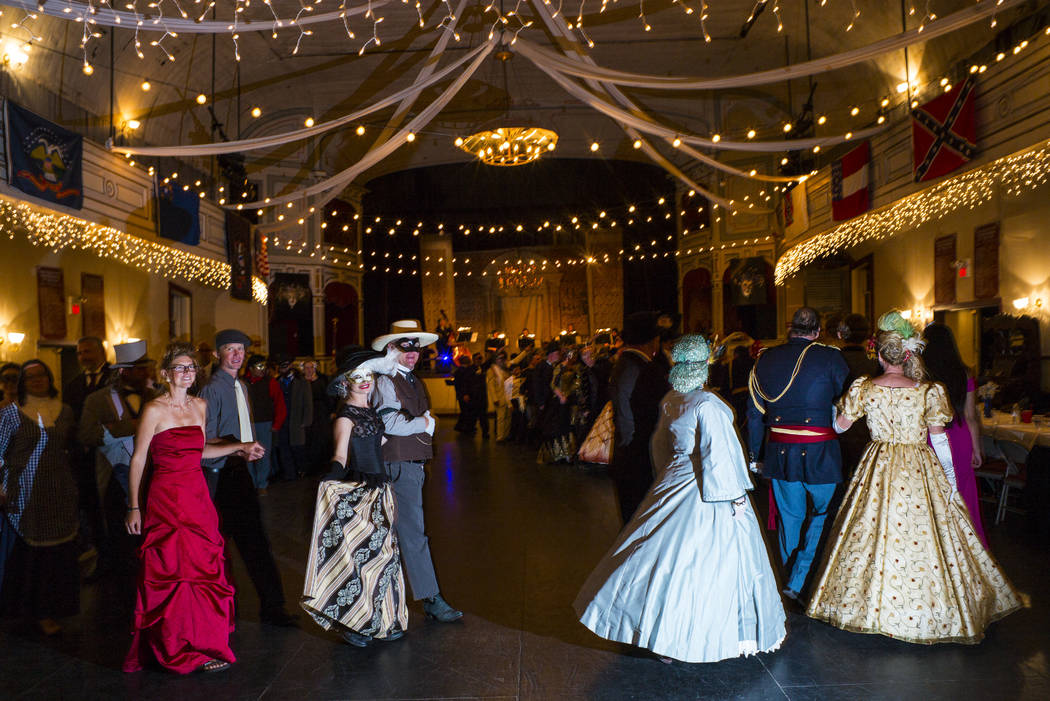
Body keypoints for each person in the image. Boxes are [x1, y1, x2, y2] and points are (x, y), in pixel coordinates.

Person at [808, 312, 1023, 644]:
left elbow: (839, 427)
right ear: (908, 354)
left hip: (878, 463)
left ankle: (870, 607)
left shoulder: (864, 388)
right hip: (920, 465)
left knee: (871, 530)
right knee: (926, 533)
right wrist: (951, 483)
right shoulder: (929, 391)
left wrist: (830, 411)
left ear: (879, 355)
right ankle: (929, 606)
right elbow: (940, 441)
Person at [575, 336, 786, 663]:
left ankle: (657, 633)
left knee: (661, 558)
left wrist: (666, 475)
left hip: (674, 481)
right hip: (705, 489)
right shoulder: (708, 405)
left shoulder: (672, 399)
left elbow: (660, 444)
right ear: (706, 365)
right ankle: (691, 637)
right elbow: (719, 455)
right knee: (704, 563)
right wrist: (734, 498)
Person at [123, 342, 259, 674]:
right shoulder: (154, 410)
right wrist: (134, 506)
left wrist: (238, 448)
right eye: (181, 367)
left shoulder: (200, 406)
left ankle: (204, 644)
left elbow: (198, 452)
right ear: (166, 373)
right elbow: (139, 458)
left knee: (202, 571)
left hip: (197, 496)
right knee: (172, 572)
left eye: (192, 368)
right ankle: (172, 646)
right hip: (166, 497)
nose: (187, 373)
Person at [302, 347, 408, 647]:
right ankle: (354, 624)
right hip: (360, 494)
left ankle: (382, 620)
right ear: (345, 383)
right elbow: (340, 455)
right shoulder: (344, 418)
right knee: (361, 561)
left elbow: (382, 441)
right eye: (356, 377)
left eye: (368, 375)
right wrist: (330, 480)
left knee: (386, 557)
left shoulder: (371, 411)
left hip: (381, 492)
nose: (364, 381)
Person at [746, 306, 849, 604]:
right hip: (822, 451)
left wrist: (756, 455)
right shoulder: (831, 357)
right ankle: (803, 579)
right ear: (817, 332)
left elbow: (754, 414)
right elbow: (847, 406)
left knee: (790, 518)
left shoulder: (765, 359)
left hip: (779, 452)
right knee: (824, 514)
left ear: (790, 329)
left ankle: (791, 578)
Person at [200, 329, 297, 627]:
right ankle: (222, 611)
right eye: (230, 349)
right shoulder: (211, 389)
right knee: (220, 546)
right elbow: (205, 437)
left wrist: (249, 450)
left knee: (254, 541)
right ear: (218, 354)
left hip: (240, 469)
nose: (237, 354)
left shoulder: (241, 385)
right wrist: (239, 450)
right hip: (221, 472)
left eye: (240, 349)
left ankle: (272, 606)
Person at [370, 319, 462, 623]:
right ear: (391, 349)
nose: (412, 353)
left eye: (416, 347)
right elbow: (390, 423)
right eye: (404, 346)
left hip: (411, 463)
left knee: (402, 534)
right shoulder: (386, 381)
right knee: (412, 534)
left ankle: (387, 602)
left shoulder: (411, 380)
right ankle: (431, 598)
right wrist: (425, 423)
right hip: (398, 464)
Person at [0, 360, 79, 636]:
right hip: (24, 490)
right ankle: (35, 611)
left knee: (58, 554)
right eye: (30, 376)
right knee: (31, 556)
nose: (37, 380)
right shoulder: (10, 413)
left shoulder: (65, 411)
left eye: (41, 375)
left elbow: (71, 447)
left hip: (59, 488)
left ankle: (55, 607)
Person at [78, 340, 156, 574]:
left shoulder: (156, 397)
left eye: (146, 368)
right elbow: (86, 435)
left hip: (152, 475)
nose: (145, 373)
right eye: (139, 369)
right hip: (115, 476)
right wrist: (127, 426)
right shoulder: (98, 400)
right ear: (123, 371)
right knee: (120, 539)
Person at [922, 322, 988, 547]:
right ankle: (969, 547)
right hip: (960, 436)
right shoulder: (965, 372)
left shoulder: (922, 374)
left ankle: (939, 546)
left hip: (931, 437)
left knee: (935, 493)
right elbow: (971, 416)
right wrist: (977, 449)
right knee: (962, 492)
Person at [609, 312, 670, 523]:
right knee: (642, 522)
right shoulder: (644, 369)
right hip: (641, 457)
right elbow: (654, 415)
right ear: (652, 341)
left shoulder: (624, 364)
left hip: (626, 453)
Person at [836, 313, 879, 481]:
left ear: (841, 334)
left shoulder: (832, 362)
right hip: (867, 431)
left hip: (837, 429)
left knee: (838, 485)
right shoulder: (874, 365)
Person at [243, 354, 287, 495]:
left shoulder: (270, 382)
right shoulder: (242, 382)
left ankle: (262, 483)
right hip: (246, 424)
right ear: (251, 368)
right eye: (259, 366)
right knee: (247, 454)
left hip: (265, 423)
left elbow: (280, 404)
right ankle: (251, 482)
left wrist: (276, 424)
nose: (263, 369)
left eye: (264, 366)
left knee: (263, 454)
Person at [273, 355, 312, 481]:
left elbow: (308, 402)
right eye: (281, 367)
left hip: (296, 419)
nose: (283, 369)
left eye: (285, 366)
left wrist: (306, 420)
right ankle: (290, 474)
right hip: (282, 420)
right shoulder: (278, 382)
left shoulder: (302, 381)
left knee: (298, 447)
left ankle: (302, 469)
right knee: (284, 448)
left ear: (290, 366)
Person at [302, 358, 331, 475]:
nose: (309, 370)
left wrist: (330, 411)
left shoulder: (322, 381)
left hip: (320, 413)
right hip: (306, 413)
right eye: (306, 368)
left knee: (319, 439)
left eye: (311, 367)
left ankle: (320, 466)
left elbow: (327, 398)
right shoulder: (301, 382)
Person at [486, 352, 511, 441]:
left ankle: (506, 434)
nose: (501, 360)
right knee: (500, 418)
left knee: (508, 417)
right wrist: (495, 398)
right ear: (495, 360)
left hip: (508, 396)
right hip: (499, 397)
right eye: (499, 358)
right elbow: (491, 386)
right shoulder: (491, 371)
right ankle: (500, 436)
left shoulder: (505, 369)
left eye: (502, 358)